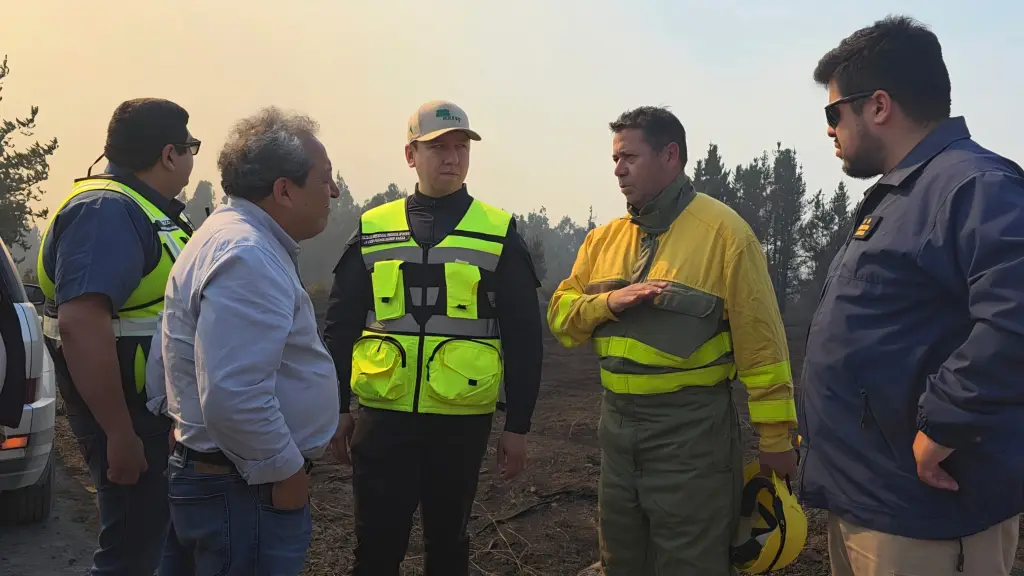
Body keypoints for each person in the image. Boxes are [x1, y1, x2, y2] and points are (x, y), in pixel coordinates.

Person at [798, 15, 1024, 576]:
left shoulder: (975, 186)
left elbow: (1015, 317)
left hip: (926, 518)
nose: (829, 129)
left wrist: (942, 426)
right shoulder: (903, 196)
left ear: (878, 105)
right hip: (869, 501)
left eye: (833, 112)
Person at [547, 106, 798, 575]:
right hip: (616, 436)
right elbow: (561, 319)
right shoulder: (602, 241)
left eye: (629, 157)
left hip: (692, 438)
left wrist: (776, 439)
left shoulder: (726, 236)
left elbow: (763, 349)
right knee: (621, 559)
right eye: (615, 160)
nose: (618, 170)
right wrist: (608, 303)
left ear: (670, 155)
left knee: (691, 563)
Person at [323, 99, 544, 576]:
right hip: (383, 417)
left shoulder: (498, 231)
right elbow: (340, 326)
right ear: (410, 155)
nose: (452, 157)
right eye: (437, 147)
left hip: (460, 423)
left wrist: (518, 425)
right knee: (375, 550)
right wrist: (337, 407)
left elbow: (525, 335)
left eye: (461, 146)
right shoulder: (373, 228)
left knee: (448, 547)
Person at [157, 107, 341, 576]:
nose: (334, 192)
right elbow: (233, 394)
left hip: (223, 480)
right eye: (324, 180)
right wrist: (284, 472)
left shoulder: (230, 239)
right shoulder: (249, 256)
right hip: (242, 491)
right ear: (283, 190)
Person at [35, 98, 197, 575]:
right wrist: (118, 435)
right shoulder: (106, 211)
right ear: (170, 153)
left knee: (158, 543)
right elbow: (81, 323)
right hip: (128, 419)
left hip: (149, 414)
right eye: (191, 148)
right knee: (130, 555)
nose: (191, 160)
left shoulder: (143, 209)